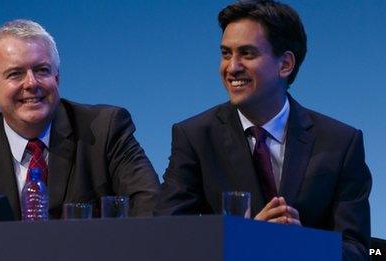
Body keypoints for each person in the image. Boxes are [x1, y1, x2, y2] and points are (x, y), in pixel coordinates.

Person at [155, 0, 371, 259]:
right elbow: (166, 240)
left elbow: (357, 251)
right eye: (226, 53)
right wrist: (247, 239)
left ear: (285, 64)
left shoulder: (341, 143)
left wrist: (303, 244)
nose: (231, 67)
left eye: (247, 54)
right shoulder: (195, 137)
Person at [0, 19, 160, 220]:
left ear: (56, 77)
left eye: (41, 70)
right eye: (15, 73)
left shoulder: (105, 130)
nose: (31, 83)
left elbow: (152, 207)